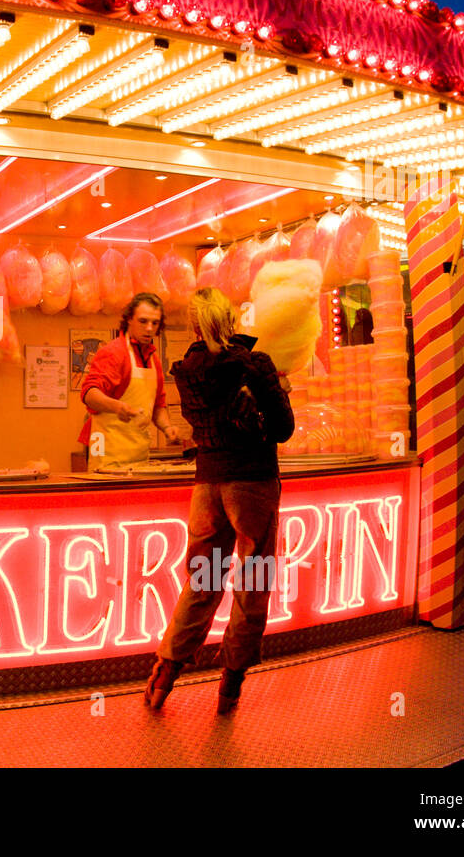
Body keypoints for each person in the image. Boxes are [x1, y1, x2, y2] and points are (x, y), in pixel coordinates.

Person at [144, 287, 294, 715]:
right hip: (252, 487)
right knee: (252, 582)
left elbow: (202, 423)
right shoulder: (255, 364)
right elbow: (283, 428)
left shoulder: (186, 372)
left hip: (207, 487)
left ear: (193, 325)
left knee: (203, 581)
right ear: (232, 320)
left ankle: (164, 675)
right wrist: (278, 389)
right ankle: (230, 687)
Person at [78, 292, 180, 471]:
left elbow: (158, 405)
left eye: (155, 323)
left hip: (138, 453)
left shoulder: (153, 359)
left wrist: (167, 427)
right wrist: (117, 407)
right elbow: (89, 393)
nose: (149, 328)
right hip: (103, 448)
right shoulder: (114, 352)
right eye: (143, 321)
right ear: (129, 320)